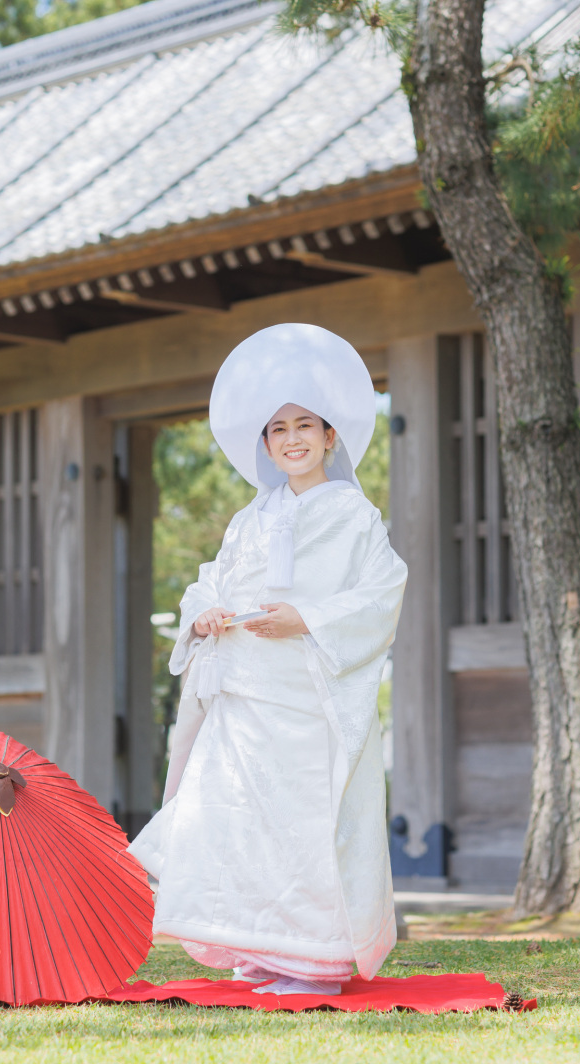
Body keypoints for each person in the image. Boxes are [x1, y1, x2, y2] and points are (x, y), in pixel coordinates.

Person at [129, 323, 407, 995]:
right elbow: (212, 580)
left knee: (303, 823)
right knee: (238, 820)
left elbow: (381, 593)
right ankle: (261, 948)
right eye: (277, 429)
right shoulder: (249, 519)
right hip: (246, 692)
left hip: (307, 694)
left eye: (305, 425)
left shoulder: (354, 517)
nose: (292, 439)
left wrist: (307, 618)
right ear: (263, 442)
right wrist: (205, 614)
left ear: (332, 435)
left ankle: (312, 959)